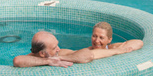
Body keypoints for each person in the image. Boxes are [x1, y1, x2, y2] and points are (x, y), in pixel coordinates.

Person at [13, 22, 143, 68]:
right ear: (41, 53)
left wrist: (118, 50)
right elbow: (18, 60)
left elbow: (139, 42)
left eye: (101, 38)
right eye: (94, 36)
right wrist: (49, 61)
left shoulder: (60, 53)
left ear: (109, 40)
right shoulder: (34, 56)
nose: (97, 41)